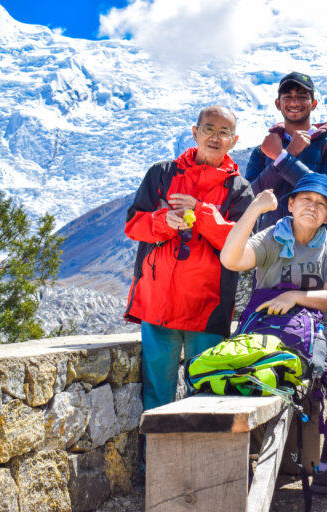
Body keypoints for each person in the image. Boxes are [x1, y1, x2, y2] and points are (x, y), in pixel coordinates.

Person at [220, 173, 327, 498]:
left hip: (319, 341)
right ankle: (236, 471)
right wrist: (254, 211)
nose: (312, 207)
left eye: (321, 204)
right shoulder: (272, 239)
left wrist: (293, 297)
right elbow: (230, 259)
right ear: (290, 204)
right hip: (267, 342)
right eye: (305, 199)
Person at [124, 105, 253, 411]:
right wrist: (163, 222)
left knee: (206, 396)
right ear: (195, 133)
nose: (216, 137)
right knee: (156, 397)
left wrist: (200, 212)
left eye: (224, 132)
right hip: (158, 304)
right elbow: (133, 225)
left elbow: (237, 245)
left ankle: (200, 461)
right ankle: (151, 461)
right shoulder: (161, 174)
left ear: (233, 141)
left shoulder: (240, 191)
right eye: (209, 129)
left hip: (208, 308)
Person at [245, 71, 327, 231]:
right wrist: (289, 153)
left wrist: (283, 157)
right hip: (267, 245)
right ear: (278, 103)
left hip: (313, 246)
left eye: (302, 96)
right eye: (287, 96)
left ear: (313, 104)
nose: (294, 102)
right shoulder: (263, 150)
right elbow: (249, 198)